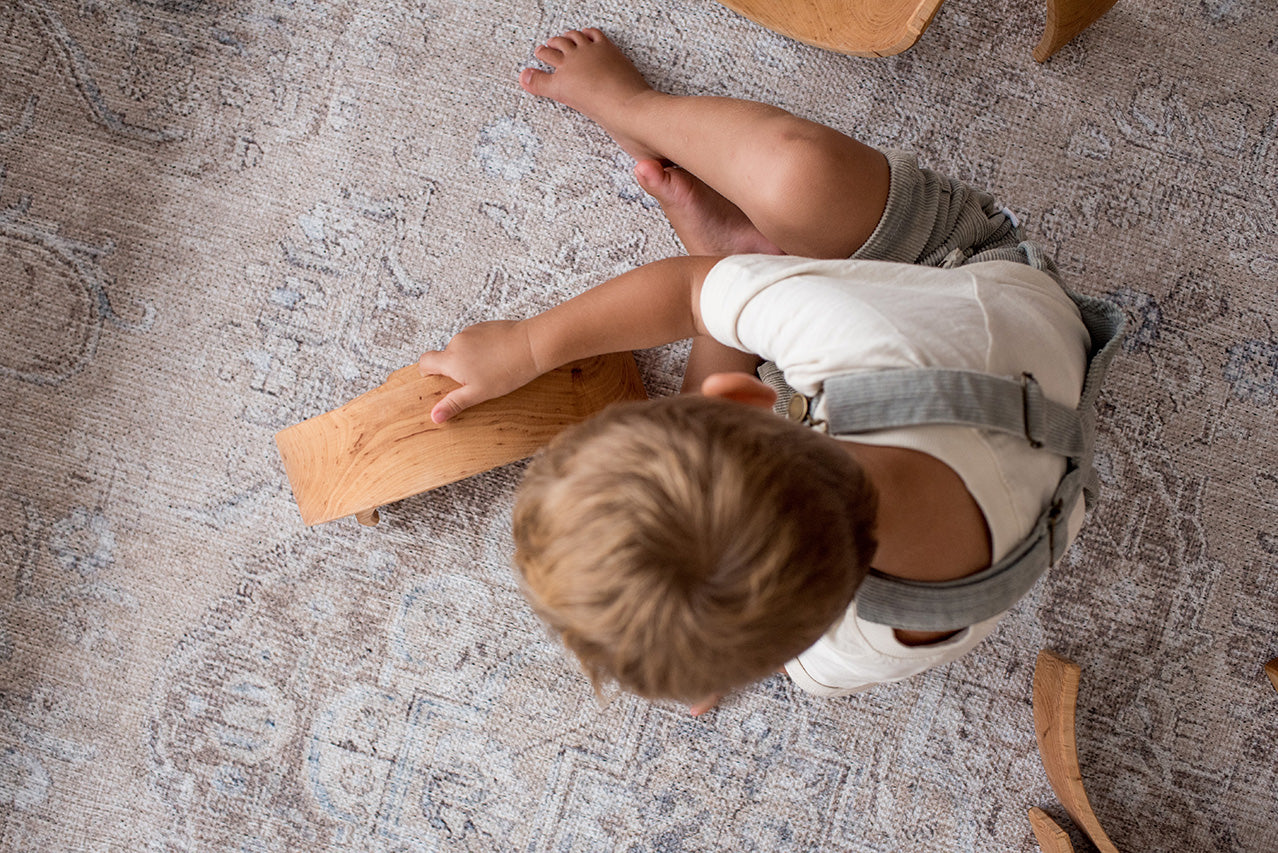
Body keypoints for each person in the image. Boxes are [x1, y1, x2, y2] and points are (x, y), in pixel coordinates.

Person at [417, 28, 1095, 715]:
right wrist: (526, 345)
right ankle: (733, 251)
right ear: (744, 395)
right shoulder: (863, 339)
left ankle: (686, 180)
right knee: (800, 180)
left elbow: (768, 632)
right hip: (957, 306)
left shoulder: (848, 651)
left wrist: (708, 656)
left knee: (780, 226)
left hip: (952, 357)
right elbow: (690, 290)